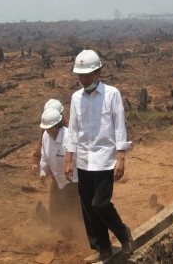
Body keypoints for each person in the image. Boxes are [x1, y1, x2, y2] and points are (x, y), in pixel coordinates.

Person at [64, 49, 133, 263]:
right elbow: (73, 130)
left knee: (100, 204)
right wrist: (68, 159)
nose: (83, 79)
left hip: (104, 159)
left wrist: (120, 157)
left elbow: (119, 126)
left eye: (87, 75)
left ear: (98, 72)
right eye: (80, 75)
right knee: (87, 206)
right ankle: (102, 247)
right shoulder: (76, 98)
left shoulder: (112, 94)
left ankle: (123, 234)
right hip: (83, 159)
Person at [38, 108, 81, 236]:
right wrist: (43, 172)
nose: (46, 130)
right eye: (45, 128)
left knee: (68, 204)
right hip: (57, 177)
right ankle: (57, 228)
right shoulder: (46, 136)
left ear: (57, 126)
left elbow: (77, 158)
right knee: (54, 203)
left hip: (73, 178)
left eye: (49, 128)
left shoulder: (69, 137)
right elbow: (44, 155)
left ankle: (72, 232)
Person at [31, 99, 68, 179]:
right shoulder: (46, 131)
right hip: (56, 173)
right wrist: (37, 162)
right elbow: (43, 148)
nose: (47, 130)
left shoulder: (68, 134)